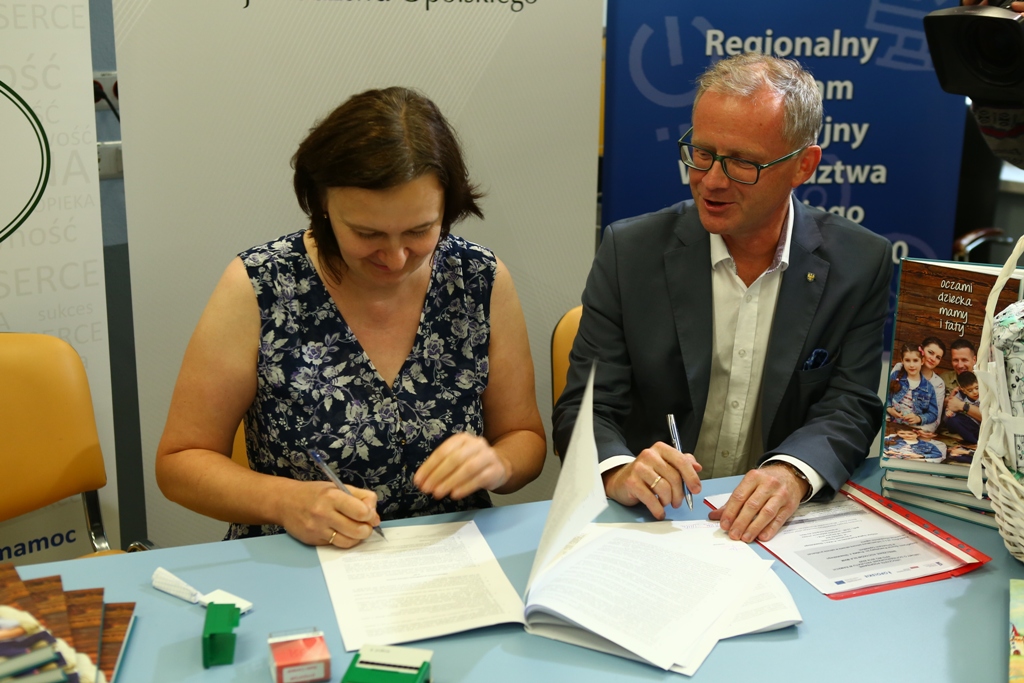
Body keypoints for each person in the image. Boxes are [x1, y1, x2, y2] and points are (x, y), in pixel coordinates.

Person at [157, 87, 546, 549]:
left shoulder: (478, 279)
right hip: (306, 554)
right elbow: (180, 461)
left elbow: (523, 436)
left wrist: (499, 464)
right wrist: (285, 500)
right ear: (322, 206)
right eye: (367, 233)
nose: (396, 257)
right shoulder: (261, 285)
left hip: (450, 553)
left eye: (420, 230)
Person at [552, 53, 893, 543]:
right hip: (655, 524)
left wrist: (793, 473)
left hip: (777, 531)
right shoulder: (630, 252)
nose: (711, 180)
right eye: (702, 152)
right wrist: (620, 469)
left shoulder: (859, 262)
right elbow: (584, 408)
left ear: (803, 166)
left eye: (742, 163)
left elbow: (851, 403)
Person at [888, 337, 946, 433]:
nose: (933, 359)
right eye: (930, 352)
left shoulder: (936, 384)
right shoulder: (900, 369)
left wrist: (916, 431)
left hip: (916, 430)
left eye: (938, 357)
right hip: (892, 423)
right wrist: (887, 417)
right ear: (921, 350)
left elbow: (934, 417)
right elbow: (886, 396)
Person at [943, 370, 981, 444]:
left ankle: (976, 441)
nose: (975, 392)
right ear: (963, 390)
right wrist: (949, 412)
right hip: (963, 420)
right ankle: (974, 442)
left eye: (977, 388)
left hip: (976, 424)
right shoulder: (960, 395)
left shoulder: (983, 395)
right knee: (953, 420)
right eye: (970, 390)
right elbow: (951, 407)